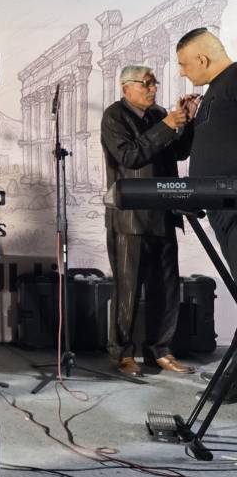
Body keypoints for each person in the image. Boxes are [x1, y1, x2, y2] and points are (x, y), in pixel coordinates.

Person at [101, 65, 196, 378]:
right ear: (126, 87)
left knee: (166, 289)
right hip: (130, 218)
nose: (153, 88)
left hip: (163, 213)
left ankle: (160, 350)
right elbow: (130, 157)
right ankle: (123, 354)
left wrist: (186, 122)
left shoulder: (157, 115)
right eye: (147, 83)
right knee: (127, 290)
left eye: (154, 83)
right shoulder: (114, 116)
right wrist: (167, 126)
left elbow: (178, 153)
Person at [176, 27, 237, 399]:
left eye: (184, 64)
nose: (182, 72)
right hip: (223, 208)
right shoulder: (216, 91)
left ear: (202, 58)